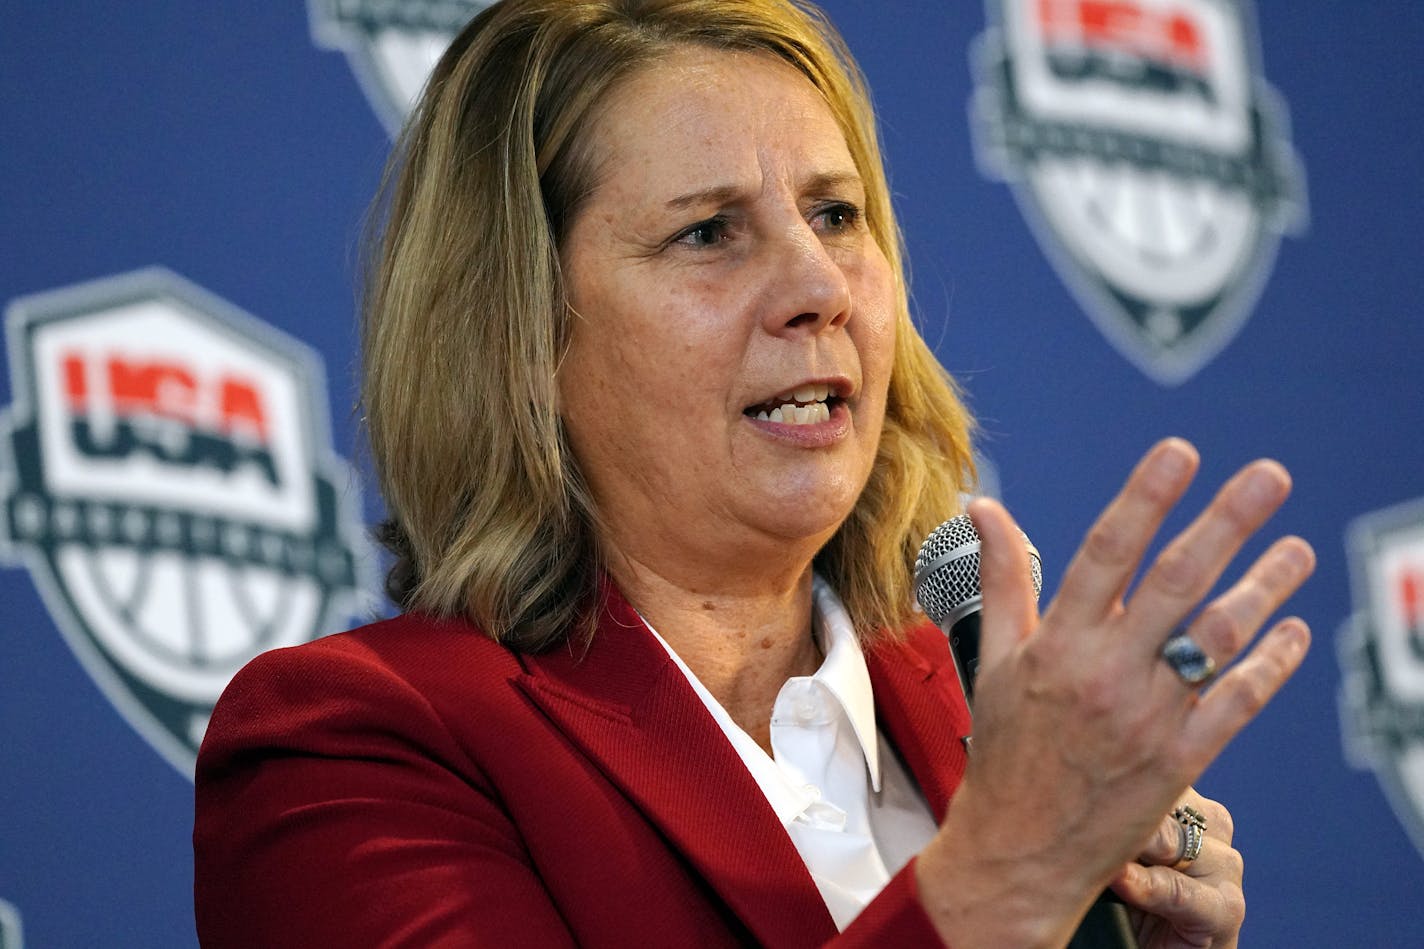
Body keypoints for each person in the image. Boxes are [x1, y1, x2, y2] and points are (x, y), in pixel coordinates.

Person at [192, 1, 1315, 946]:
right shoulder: (350, 747)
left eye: (836, 214)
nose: (816, 282)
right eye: (707, 234)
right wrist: (999, 883)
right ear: (519, 335)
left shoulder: (976, 703)